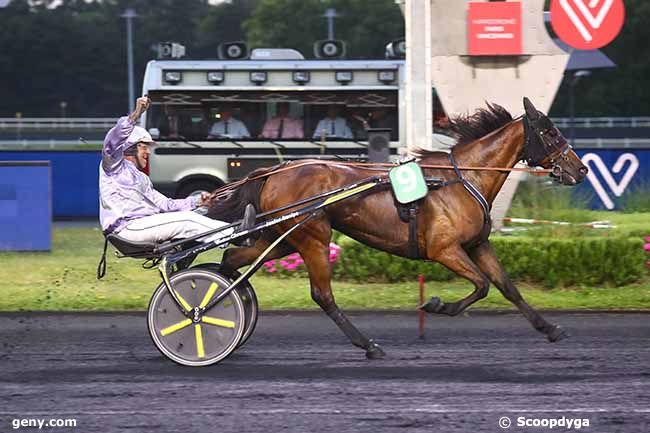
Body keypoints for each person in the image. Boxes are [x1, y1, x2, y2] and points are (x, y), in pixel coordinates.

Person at [99, 96, 255, 246]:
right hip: (127, 228)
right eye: (144, 147)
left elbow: (166, 204)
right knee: (187, 220)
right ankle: (236, 236)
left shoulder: (142, 178)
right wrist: (136, 114)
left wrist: (198, 201)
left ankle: (234, 230)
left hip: (142, 225)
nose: (148, 152)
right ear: (130, 146)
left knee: (199, 213)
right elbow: (112, 142)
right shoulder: (114, 167)